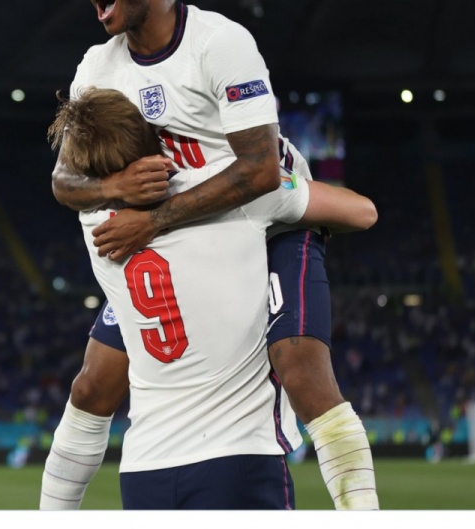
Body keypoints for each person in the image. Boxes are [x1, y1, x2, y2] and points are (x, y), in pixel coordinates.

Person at [41, 0, 379, 511]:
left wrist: (153, 219)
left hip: (268, 218)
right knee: (94, 384)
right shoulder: (96, 67)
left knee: (299, 367)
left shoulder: (218, 43)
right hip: (178, 227)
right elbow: (65, 181)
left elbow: (258, 171)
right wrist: (116, 185)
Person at [46, 86, 319, 509]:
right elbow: (361, 211)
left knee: (309, 378)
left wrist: (119, 192)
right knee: (90, 387)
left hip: (148, 464)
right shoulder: (225, 185)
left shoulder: (92, 217)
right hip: (225, 454)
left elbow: (63, 185)